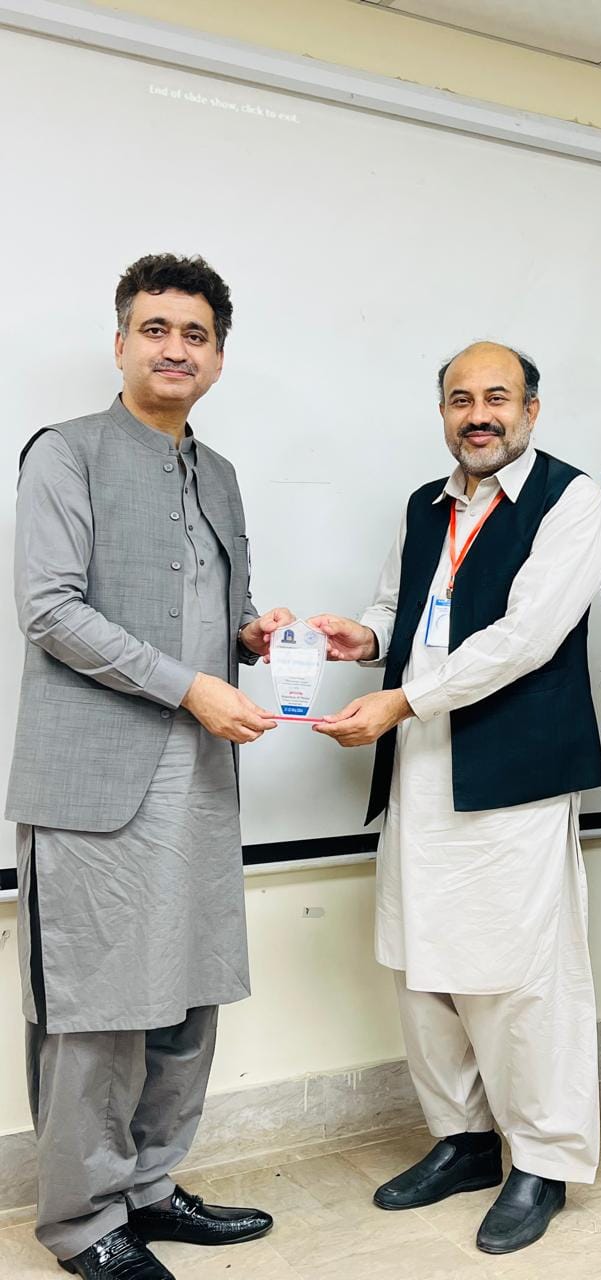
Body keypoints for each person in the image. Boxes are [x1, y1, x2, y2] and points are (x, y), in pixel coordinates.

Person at [7, 254, 292, 1280]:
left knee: (186, 997)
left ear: (218, 355)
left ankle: (151, 1187)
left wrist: (256, 635)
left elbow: (219, 610)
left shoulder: (221, 474)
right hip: (95, 781)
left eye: (196, 334)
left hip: (202, 778)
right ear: (122, 341)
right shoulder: (65, 454)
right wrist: (189, 686)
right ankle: (84, 1221)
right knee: (99, 1012)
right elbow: (50, 611)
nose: (177, 348)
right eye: (157, 329)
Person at [309, 342, 601, 1255]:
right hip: (421, 767)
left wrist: (403, 697)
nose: (478, 415)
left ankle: (543, 1161)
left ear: (531, 409)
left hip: (511, 775)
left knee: (520, 981)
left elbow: (526, 638)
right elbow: (402, 610)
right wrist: (363, 640)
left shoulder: (573, 501)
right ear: (443, 412)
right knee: (423, 966)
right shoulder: (426, 504)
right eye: (460, 399)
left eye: (497, 398)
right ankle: (466, 1140)